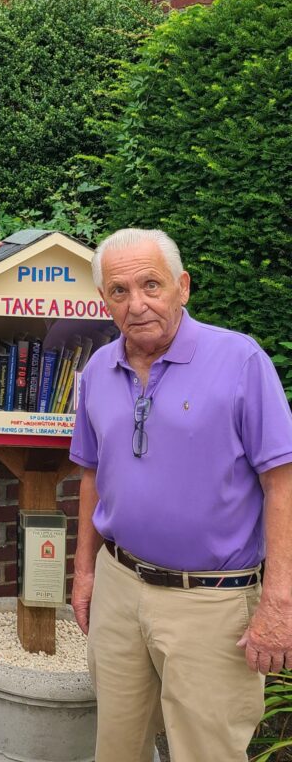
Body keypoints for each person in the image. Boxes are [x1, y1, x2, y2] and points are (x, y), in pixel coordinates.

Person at [69, 228, 292, 762]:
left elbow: (281, 481)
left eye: (152, 285)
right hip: (120, 589)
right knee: (116, 748)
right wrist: (84, 572)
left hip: (211, 602)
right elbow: (90, 475)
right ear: (104, 301)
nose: (137, 304)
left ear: (183, 287)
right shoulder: (99, 368)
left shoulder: (240, 361)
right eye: (119, 291)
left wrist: (279, 601)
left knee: (207, 753)